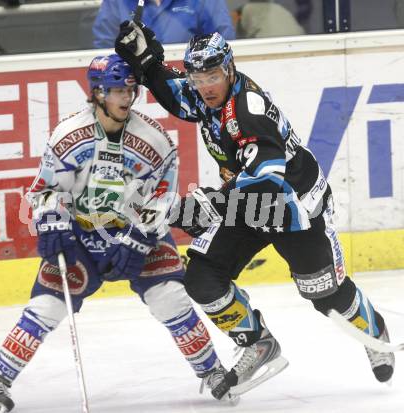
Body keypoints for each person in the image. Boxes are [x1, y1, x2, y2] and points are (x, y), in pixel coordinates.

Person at [114, 24, 396, 397]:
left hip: (293, 208)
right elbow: (178, 94)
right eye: (199, 78)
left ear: (229, 69)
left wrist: (198, 207)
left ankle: (373, 329)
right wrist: (148, 63)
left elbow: (264, 182)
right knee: (202, 278)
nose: (205, 86)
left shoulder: (247, 110)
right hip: (248, 206)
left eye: (212, 76)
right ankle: (257, 342)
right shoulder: (207, 95)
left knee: (324, 295)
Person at [0, 54, 237, 413]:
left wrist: (141, 237)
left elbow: (162, 197)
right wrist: (53, 221)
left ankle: (213, 371)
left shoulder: (155, 141)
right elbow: (46, 189)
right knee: (46, 306)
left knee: (170, 297)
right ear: (97, 93)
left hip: (134, 229)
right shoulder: (68, 136)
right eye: (115, 90)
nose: (126, 97)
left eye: (130, 89)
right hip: (82, 235)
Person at [92, 0, 235, 49]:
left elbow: (223, 42)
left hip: (194, 80)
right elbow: (104, 48)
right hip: (133, 85)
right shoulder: (116, 2)